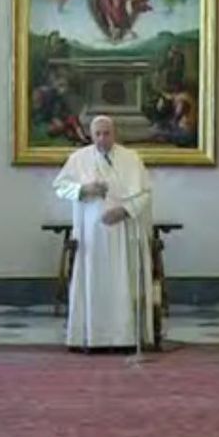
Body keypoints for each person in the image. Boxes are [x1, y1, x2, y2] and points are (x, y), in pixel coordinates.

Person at [53, 116, 157, 351]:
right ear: (91, 134)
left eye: (106, 133)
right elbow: (60, 187)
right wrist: (83, 189)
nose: (102, 138)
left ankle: (124, 338)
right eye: (97, 134)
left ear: (115, 133)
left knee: (122, 282)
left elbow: (145, 193)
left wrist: (125, 210)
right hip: (92, 235)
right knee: (93, 282)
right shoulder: (78, 159)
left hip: (123, 233)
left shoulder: (131, 158)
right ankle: (92, 337)